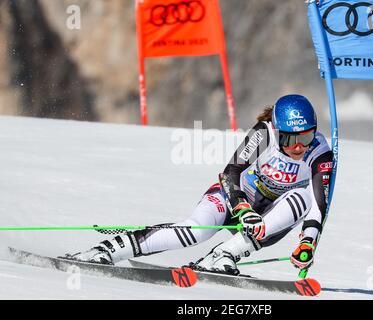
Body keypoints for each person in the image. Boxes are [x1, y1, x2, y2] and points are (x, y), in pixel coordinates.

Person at [64, 94, 333, 276]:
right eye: (290, 139)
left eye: (306, 136)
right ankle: (109, 250)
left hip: (270, 218)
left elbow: (319, 206)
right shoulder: (264, 134)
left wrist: (308, 242)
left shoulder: (320, 151)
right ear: (277, 131)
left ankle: (224, 255)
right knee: (197, 231)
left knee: (302, 197)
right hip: (237, 198)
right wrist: (242, 207)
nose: (298, 146)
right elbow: (230, 173)